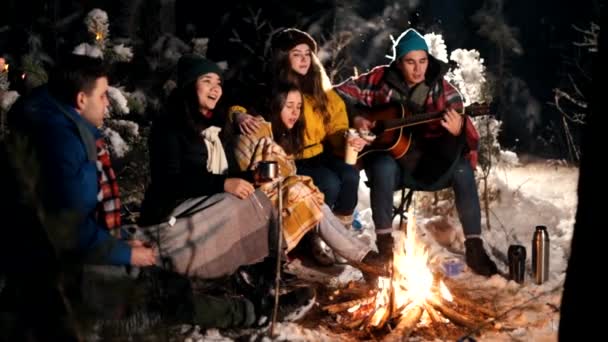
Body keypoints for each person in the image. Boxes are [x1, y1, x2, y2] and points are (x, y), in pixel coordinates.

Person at [138, 53, 315, 323]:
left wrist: (252, 176)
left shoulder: (218, 127)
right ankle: (255, 290)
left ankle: (267, 284)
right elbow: (169, 181)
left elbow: (231, 175)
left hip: (208, 201)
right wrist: (223, 183)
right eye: (206, 81)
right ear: (189, 85)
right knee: (237, 204)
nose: (215, 88)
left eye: (218, 82)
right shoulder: (169, 126)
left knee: (257, 199)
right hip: (171, 210)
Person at [335, 28, 498, 277]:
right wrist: (357, 117)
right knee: (381, 164)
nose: (418, 69)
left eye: (422, 61)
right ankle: (385, 247)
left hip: (432, 166)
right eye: (410, 62)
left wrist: (457, 131)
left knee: (464, 170)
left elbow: (462, 133)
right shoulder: (379, 80)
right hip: (396, 169)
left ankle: (475, 246)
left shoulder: (443, 90)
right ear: (399, 62)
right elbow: (340, 92)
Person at [231, 83, 384, 275]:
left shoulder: (283, 134)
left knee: (319, 195)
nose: (295, 112)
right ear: (276, 105)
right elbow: (257, 179)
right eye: (289, 106)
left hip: (280, 198)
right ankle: (362, 257)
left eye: (298, 107)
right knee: (310, 193)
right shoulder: (256, 132)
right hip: (256, 205)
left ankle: (363, 257)